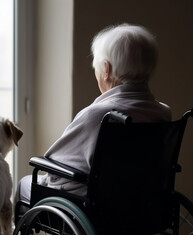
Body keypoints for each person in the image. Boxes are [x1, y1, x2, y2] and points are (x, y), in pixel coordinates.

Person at [15, 23, 171, 207]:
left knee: (25, 184)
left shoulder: (99, 115)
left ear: (106, 70)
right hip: (140, 201)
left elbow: (55, 163)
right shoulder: (162, 112)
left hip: (96, 203)